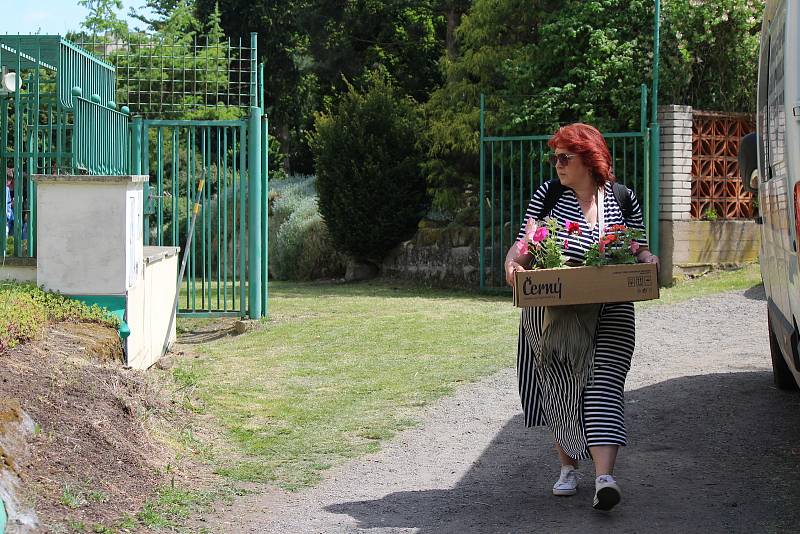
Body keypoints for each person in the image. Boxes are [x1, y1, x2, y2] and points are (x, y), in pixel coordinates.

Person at [504, 123, 659, 511]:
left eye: (563, 157)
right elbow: (526, 243)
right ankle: (568, 467)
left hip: (612, 310)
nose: (556, 164)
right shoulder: (549, 195)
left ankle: (605, 478)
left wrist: (647, 259)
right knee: (563, 386)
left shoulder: (623, 198)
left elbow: (638, 247)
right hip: (557, 314)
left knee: (605, 383)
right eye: (555, 157)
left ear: (588, 160)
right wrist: (513, 263)